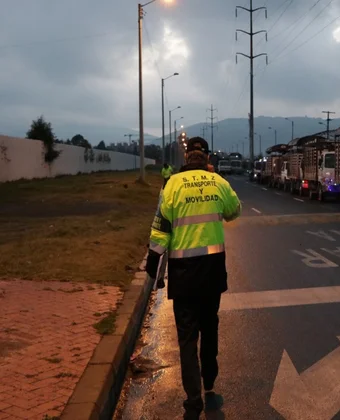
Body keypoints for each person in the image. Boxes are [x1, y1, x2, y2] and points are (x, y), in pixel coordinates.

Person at [145, 137, 241, 419]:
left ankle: (193, 400)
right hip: (212, 271)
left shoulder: (172, 184)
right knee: (210, 326)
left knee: (187, 337)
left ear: (186, 158)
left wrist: (154, 257)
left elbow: (161, 225)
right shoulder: (217, 181)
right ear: (207, 157)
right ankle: (209, 378)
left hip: (183, 273)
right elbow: (235, 211)